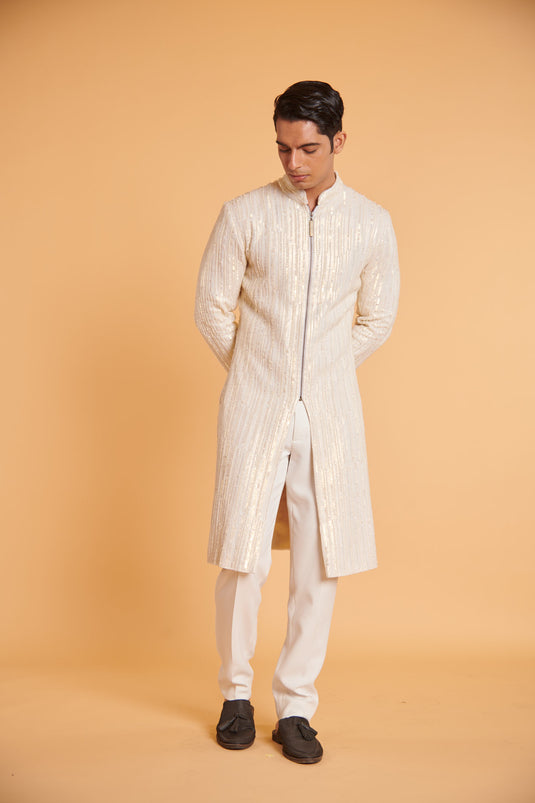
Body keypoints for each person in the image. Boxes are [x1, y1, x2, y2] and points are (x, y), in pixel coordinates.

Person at [194, 80, 400, 764]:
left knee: (319, 557)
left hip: (330, 414)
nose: (293, 162)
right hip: (254, 406)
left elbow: (377, 317)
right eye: (283, 148)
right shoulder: (244, 214)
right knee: (242, 555)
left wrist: (322, 373)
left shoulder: (370, 222)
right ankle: (234, 694)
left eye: (308, 148)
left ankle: (296, 706)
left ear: (338, 140)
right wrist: (259, 371)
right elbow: (211, 307)